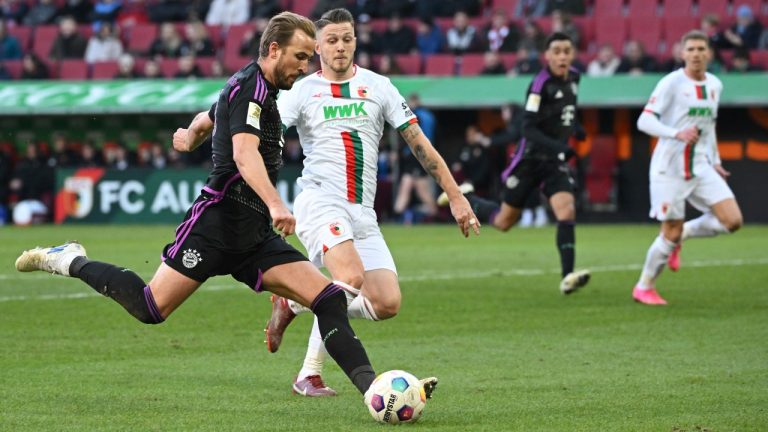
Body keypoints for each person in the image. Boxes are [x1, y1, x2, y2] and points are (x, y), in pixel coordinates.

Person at [16, 12, 439, 402]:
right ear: (274, 49)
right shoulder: (251, 88)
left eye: (310, 58)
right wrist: (276, 203)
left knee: (328, 298)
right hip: (217, 223)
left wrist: (192, 134)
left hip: (254, 235)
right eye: (300, 56)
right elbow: (244, 154)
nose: (306, 66)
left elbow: (212, 113)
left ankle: (373, 390)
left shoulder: (263, 92)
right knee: (150, 308)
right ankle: (70, 260)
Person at [267, 8, 478, 396]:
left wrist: (455, 195)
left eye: (347, 38)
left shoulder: (379, 87)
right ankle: (309, 374)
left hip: (362, 211)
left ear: (356, 41)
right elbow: (263, 134)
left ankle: (294, 304)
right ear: (317, 47)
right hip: (319, 200)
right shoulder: (302, 91)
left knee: (386, 303)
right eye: (332, 40)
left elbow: (420, 145)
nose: (340, 46)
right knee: (348, 279)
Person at [438, 32, 590, 295]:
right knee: (504, 222)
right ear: (548, 56)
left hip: (553, 161)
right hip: (529, 159)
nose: (563, 56)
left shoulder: (575, 78)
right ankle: (465, 197)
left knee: (566, 211)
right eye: (557, 51)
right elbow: (528, 129)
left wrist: (575, 128)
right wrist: (561, 147)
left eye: (567, 51)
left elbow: (567, 110)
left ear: (573, 54)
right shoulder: (539, 84)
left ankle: (568, 277)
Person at [632, 30, 742, 305]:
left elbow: (708, 127)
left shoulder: (715, 85)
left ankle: (686, 234)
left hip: (701, 164)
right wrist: (674, 132)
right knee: (669, 230)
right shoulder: (670, 83)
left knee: (732, 221)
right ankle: (644, 287)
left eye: (700, 49)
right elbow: (644, 121)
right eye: (690, 49)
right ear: (682, 54)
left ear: (709, 53)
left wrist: (715, 159)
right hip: (669, 168)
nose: (695, 54)